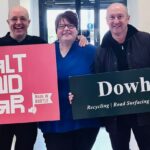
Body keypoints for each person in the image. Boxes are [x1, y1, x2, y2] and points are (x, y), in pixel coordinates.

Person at [0, 6, 89, 150]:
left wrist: (78, 37)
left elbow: (61, 43)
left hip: (28, 115)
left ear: (28, 22)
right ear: (7, 22)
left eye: (22, 19)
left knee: (25, 146)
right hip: (3, 114)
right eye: (14, 19)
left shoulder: (39, 44)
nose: (18, 22)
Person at [39, 11, 100, 150]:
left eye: (70, 25)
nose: (66, 28)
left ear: (77, 29)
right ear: (56, 31)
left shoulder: (91, 52)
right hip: (54, 122)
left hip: (84, 121)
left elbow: (101, 82)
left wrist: (86, 94)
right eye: (61, 26)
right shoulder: (44, 52)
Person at [94, 3, 150, 150]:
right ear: (107, 20)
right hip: (116, 117)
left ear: (128, 19)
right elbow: (96, 83)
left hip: (145, 113)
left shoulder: (146, 41)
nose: (116, 21)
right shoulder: (101, 50)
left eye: (120, 16)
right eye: (112, 17)